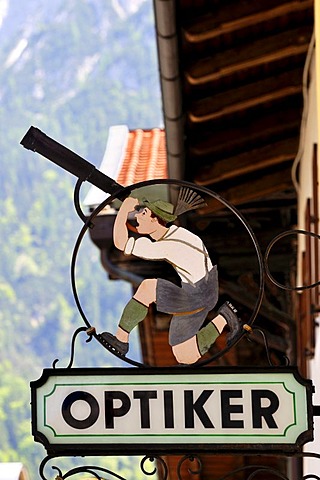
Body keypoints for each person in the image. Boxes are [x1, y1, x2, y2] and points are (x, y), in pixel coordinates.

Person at [100, 189, 242, 364]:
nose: (136, 216)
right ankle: (225, 317)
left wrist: (124, 209)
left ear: (155, 219)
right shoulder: (177, 234)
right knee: (184, 355)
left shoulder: (169, 245)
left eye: (143, 213)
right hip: (201, 293)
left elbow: (120, 243)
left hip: (197, 295)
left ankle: (121, 339)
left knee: (147, 288)